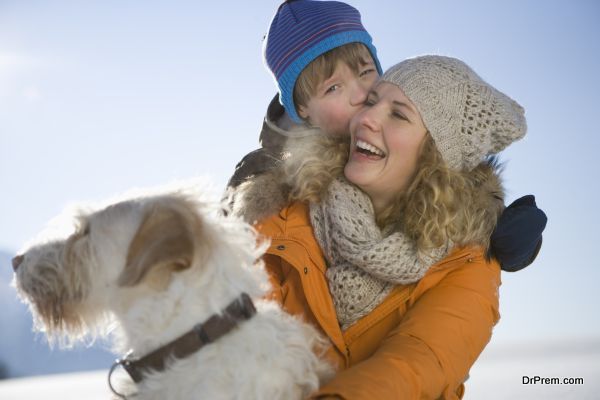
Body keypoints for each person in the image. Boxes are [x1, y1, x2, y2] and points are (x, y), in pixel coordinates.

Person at [242, 55, 527, 399]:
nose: (365, 118)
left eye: (398, 114)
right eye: (372, 101)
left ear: (434, 158)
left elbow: (416, 362)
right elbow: (243, 332)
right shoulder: (286, 218)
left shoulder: (467, 265)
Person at [227, 0, 546, 272]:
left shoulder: (402, 125)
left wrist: (505, 233)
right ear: (303, 110)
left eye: (366, 72)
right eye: (333, 88)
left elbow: (450, 182)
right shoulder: (267, 174)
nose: (361, 94)